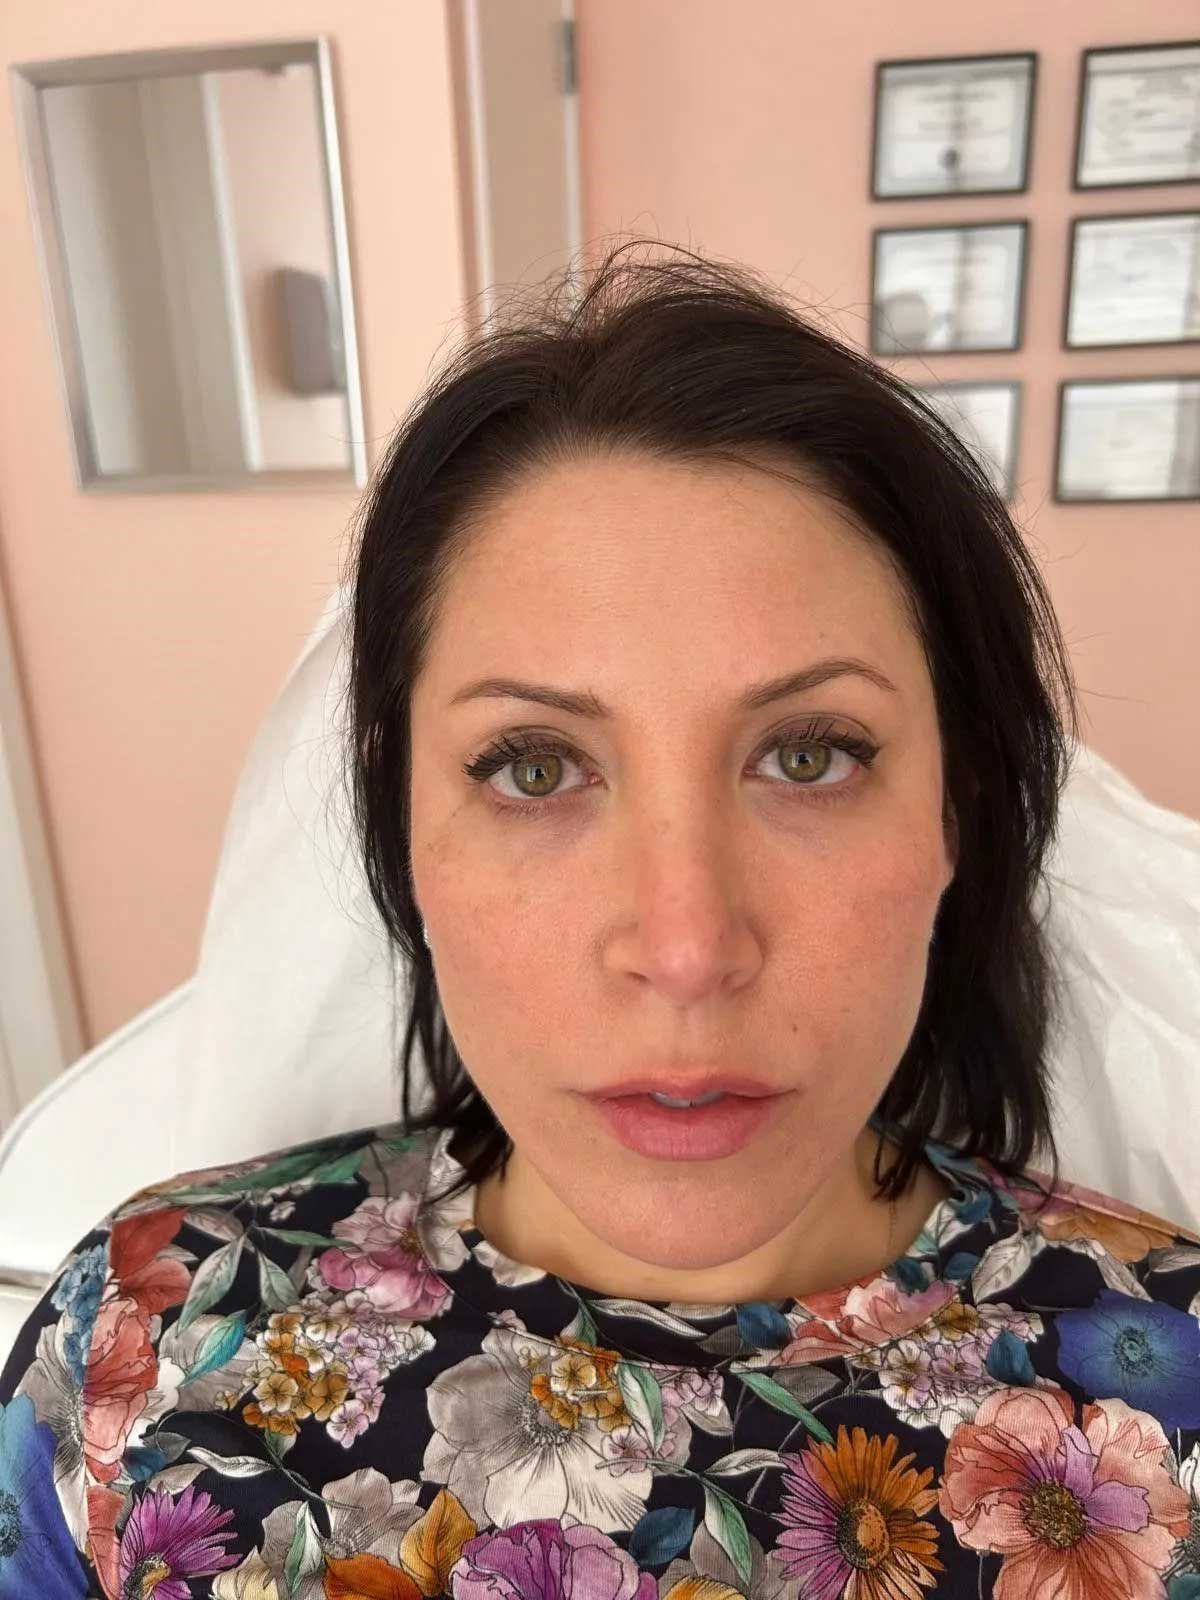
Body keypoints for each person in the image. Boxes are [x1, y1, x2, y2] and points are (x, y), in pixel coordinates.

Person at [2, 241, 1198, 1600]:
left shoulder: (1173, 1387)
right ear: (401, 833)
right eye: (532, 767)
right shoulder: (146, 1340)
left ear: (962, 819)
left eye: (810, 755)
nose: (686, 950)